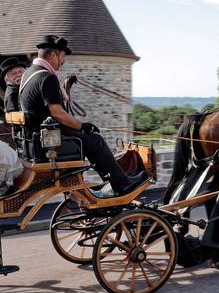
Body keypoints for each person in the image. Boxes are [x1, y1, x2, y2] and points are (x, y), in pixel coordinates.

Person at [19, 35, 146, 197]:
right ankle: (122, 184)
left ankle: (112, 181)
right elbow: (57, 113)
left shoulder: (28, 74)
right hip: (49, 142)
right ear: (53, 55)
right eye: (62, 57)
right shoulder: (47, 77)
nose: (62, 62)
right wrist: (82, 126)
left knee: (88, 138)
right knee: (96, 140)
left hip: (35, 142)